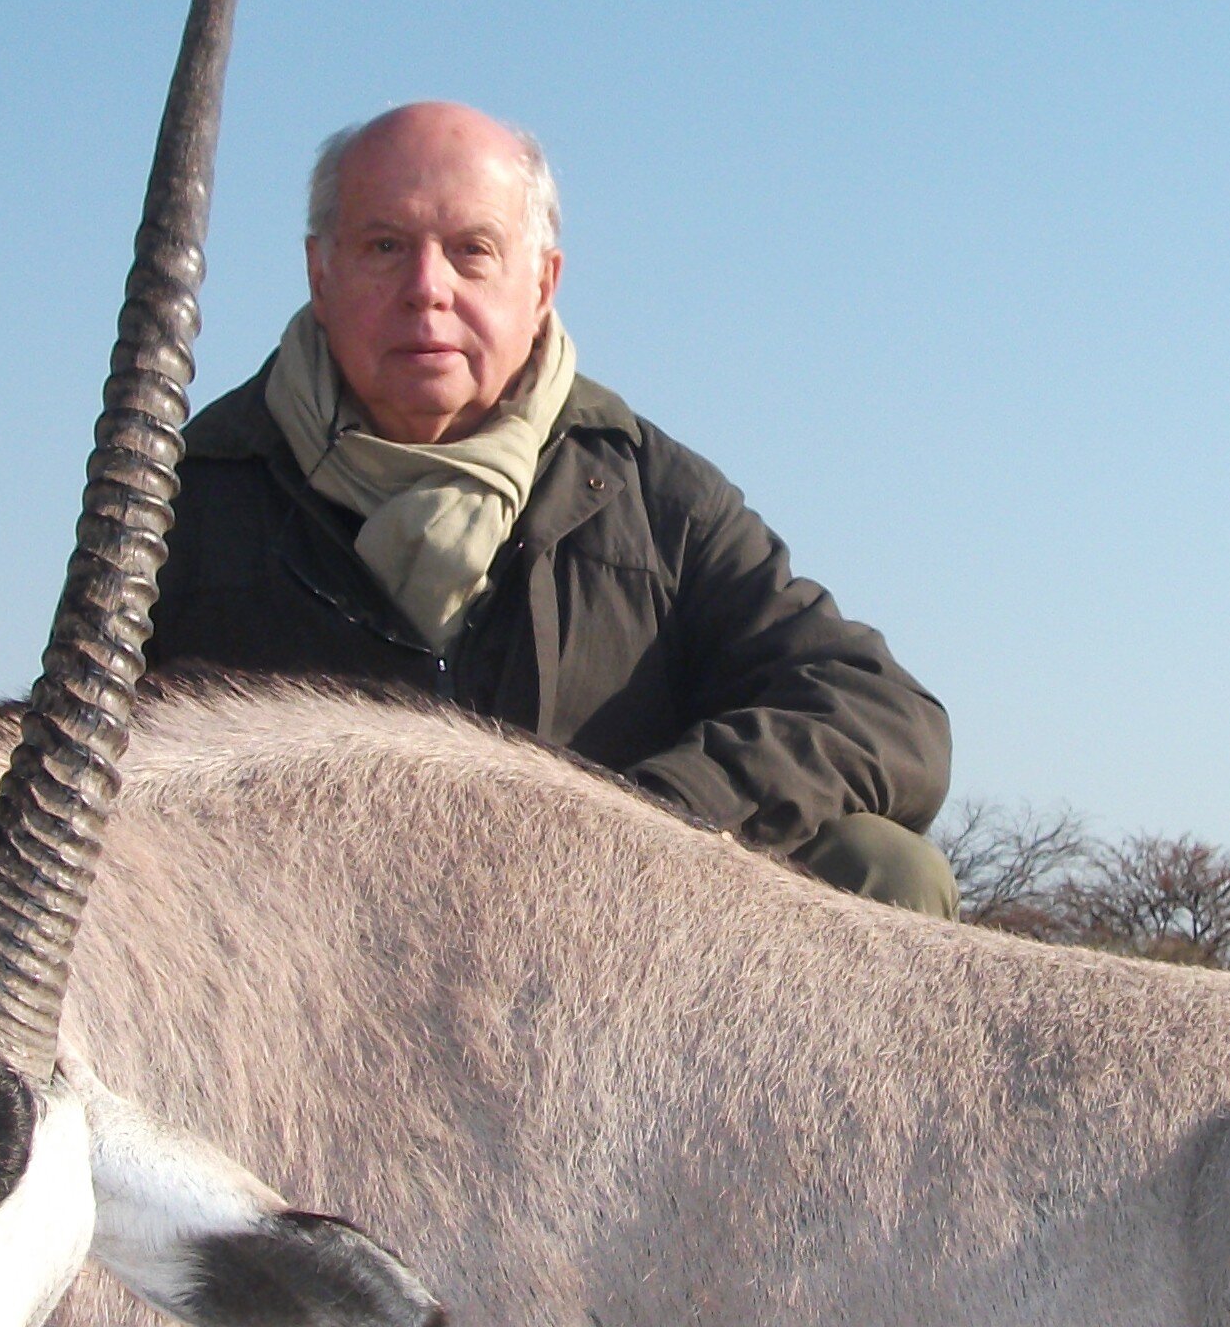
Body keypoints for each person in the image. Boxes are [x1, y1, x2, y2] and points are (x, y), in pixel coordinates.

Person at [149, 101, 958, 914]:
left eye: (472, 251)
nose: (426, 289)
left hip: (595, 960)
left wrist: (635, 828)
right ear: (320, 275)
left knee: (884, 868)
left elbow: (886, 715)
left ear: (541, 283)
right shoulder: (177, 500)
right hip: (291, 964)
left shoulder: (656, 498)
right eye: (385, 247)